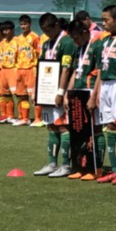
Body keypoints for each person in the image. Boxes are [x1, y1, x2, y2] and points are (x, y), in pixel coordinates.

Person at [88, 6, 116, 183]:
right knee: (110, 126)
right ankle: (115, 170)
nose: (103, 23)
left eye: (106, 20)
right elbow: (100, 69)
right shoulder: (104, 41)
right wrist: (96, 93)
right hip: (105, 85)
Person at [33, 13, 78, 177]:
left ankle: (66, 165)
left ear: (57, 26)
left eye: (48, 29)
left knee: (63, 126)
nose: (46, 33)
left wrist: (61, 92)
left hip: (61, 90)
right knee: (51, 126)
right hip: (46, 90)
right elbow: (41, 67)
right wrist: (37, 90)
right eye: (43, 30)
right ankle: (52, 163)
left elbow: (66, 69)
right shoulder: (46, 44)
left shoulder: (67, 42)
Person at [65, 18, 98, 180]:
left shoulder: (96, 46)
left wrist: (95, 96)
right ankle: (80, 166)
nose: (74, 41)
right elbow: (75, 72)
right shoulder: (79, 48)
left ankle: (95, 168)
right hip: (77, 93)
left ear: (85, 32)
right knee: (78, 131)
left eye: (76, 37)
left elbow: (100, 74)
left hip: (90, 91)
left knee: (94, 131)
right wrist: (67, 93)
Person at [12, 14, 41, 127]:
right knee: (22, 95)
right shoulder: (17, 39)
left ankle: (38, 119)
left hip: (31, 69)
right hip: (20, 69)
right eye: (21, 24)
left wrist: (37, 67)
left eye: (25, 24)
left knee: (34, 95)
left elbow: (39, 53)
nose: (23, 26)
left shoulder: (34, 37)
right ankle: (25, 119)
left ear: (30, 24)